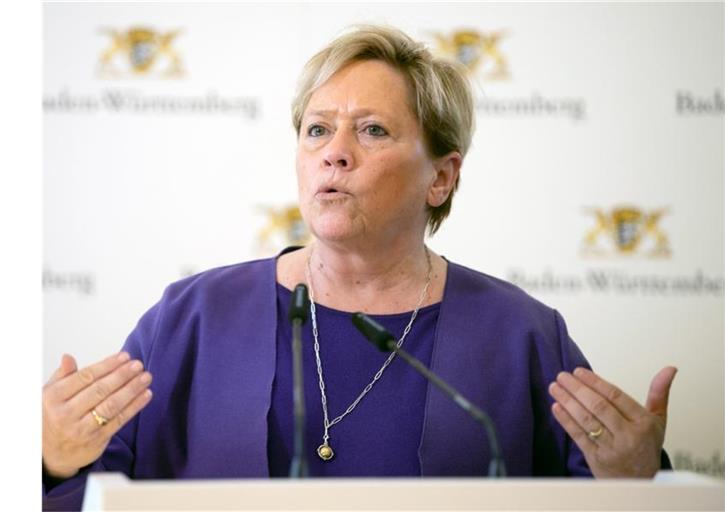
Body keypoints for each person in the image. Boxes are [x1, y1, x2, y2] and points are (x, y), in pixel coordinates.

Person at [42, 25, 676, 510]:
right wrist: (50, 460)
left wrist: (641, 484)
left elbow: (610, 494)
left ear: (441, 176)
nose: (334, 154)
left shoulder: (520, 336)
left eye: (372, 131)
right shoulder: (192, 318)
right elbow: (93, 492)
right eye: (317, 130)